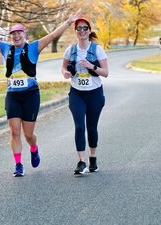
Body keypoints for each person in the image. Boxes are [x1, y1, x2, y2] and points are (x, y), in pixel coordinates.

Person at [0, 10, 82, 177]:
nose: (16, 36)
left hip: (30, 95)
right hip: (13, 95)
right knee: (14, 132)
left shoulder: (34, 47)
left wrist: (67, 22)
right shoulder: (6, 48)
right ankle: (18, 164)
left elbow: (51, 36)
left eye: (19, 33)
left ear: (24, 33)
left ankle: (34, 149)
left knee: (28, 135)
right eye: (13, 34)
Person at [61, 18, 109, 176]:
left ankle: (93, 158)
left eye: (84, 28)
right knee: (79, 126)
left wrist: (91, 66)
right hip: (77, 93)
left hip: (94, 93)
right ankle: (81, 162)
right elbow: (63, 67)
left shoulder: (97, 49)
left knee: (92, 127)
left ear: (89, 31)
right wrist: (66, 73)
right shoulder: (71, 50)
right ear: (75, 32)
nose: (81, 31)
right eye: (79, 28)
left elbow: (105, 73)